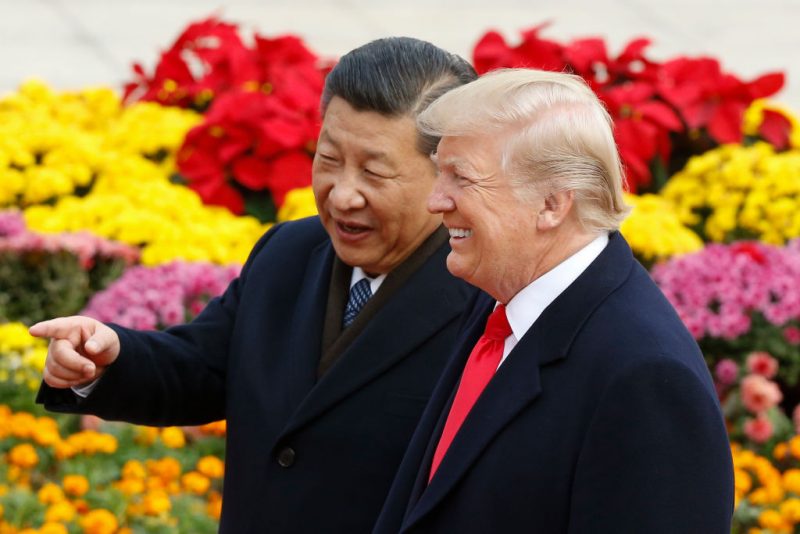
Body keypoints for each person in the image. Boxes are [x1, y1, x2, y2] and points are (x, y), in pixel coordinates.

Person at [30, 37, 478, 533]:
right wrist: (106, 359)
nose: (343, 194)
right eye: (329, 160)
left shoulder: (485, 297)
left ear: (447, 174)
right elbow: (203, 367)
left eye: (374, 172)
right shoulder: (289, 253)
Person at [372, 68, 734, 534]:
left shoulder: (647, 379)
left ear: (551, 204)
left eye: (460, 178)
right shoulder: (502, 295)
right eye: (440, 172)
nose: (436, 201)